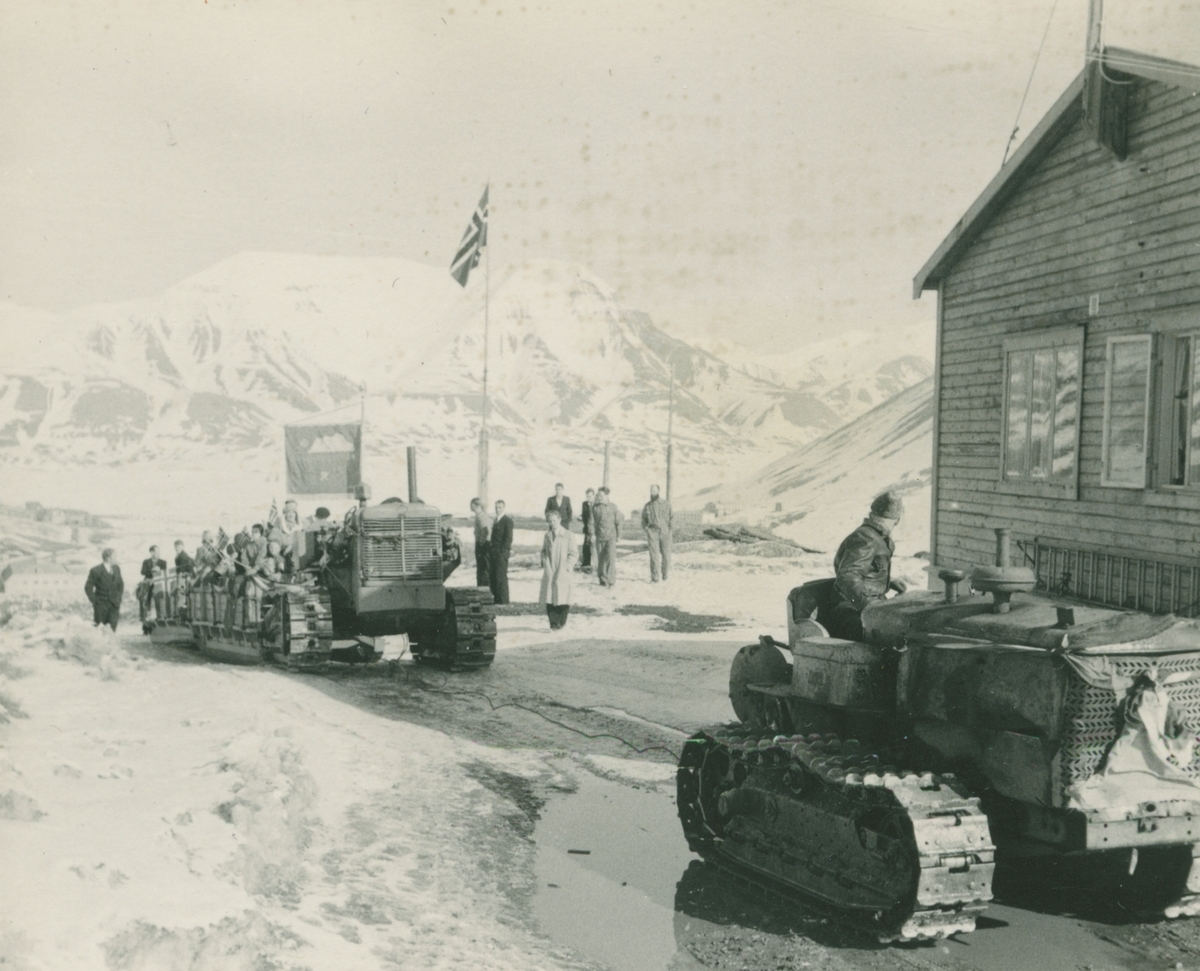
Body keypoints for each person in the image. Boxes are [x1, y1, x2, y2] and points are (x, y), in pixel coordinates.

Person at [827, 491, 908, 641]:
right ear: (896, 520)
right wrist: (869, 607)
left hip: (865, 606)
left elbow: (868, 570)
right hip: (851, 611)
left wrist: (889, 581)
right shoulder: (866, 538)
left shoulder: (877, 536)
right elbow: (847, 577)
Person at [539, 509, 576, 629]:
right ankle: (553, 624)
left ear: (559, 520)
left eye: (554, 520)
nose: (552, 523)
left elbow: (574, 554)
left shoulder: (569, 535)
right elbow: (544, 552)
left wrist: (567, 566)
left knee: (563, 597)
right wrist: (546, 563)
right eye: (550, 521)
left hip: (563, 570)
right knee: (550, 598)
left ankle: (562, 622)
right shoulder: (548, 536)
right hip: (551, 570)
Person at [85, 548, 124, 631]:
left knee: (112, 629)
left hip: (114, 605)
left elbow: (120, 584)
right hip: (101, 605)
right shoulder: (95, 570)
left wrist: (118, 598)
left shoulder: (117, 568)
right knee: (100, 629)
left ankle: (110, 644)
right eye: (115, 557)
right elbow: (88, 587)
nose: (117, 559)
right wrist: (95, 601)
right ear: (109, 558)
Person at [591, 487, 622, 588]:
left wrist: (619, 535)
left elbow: (618, 522)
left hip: (611, 538)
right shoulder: (595, 508)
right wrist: (592, 534)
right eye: (598, 496)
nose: (599, 498)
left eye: (601, 496)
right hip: (600, 537)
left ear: (607, 496)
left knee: (611, 559)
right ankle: (602, 580)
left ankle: (611, 581)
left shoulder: (613, 507)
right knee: (601, 560)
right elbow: (591, 523)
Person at [641, 484, 673, 582]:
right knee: (654, 556)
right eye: (651, 490)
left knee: (666, 555)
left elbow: (672, 517)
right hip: (653, 533)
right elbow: (643, 520)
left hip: (665, 533)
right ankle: (655, 578)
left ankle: (665, 573)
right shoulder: (647, 506)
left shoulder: (666, 504)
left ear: (658, 491)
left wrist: (670, 530)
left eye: (654, 490)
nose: (652, 492)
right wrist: (647, 529)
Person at [138, 545, 168, 633]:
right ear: (151, 552)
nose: (158, 553)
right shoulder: (146, 562)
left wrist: (157, 574)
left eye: (159, 551)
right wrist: (152, 572)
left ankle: (160, 622)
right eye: (156, 552)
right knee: (145, 602)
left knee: (160, 603)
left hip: (159, 584)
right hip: (148, 584)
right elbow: (142, 572)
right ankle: (145, 625)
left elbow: (164, 573)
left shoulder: (163, 562)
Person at [490, 500, 514, 605]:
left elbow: (508, 539)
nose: (497, 509)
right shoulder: (496, 520)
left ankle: (503, 601)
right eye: (496, 507)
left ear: (504, 508)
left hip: (501, 554)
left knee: (501, 577)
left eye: (500, 507)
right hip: (494, 553)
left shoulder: (507, 521)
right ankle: (497, 600)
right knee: (494, 577)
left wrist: (503, 553)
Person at [471, 497, 493, 589]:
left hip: (483, 547)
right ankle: (483, 588)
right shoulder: (481, 515)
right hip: (484, 546)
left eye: (471, 505)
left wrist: (481, 543)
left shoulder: (481, 516)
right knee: (482, 569)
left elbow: (485, 531)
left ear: (475, 505)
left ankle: (483, 589)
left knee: (483, 569)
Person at [578, 488, 596, 572]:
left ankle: (597, 565)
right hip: (587, 528)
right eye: (587, 496)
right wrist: (580, 517)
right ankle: (586, 564)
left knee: (595, 547)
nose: (588, 498)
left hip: (595, 529)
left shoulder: (597, 504)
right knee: (586, 546)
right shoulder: (584, 504)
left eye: (590, 496)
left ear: (594, 495)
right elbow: (584, 514)